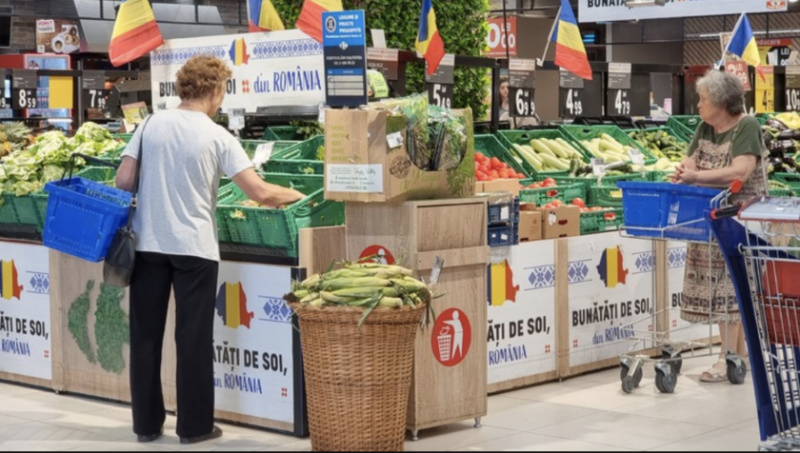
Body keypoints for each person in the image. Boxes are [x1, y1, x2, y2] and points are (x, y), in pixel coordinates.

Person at [115, 55, 305, 444]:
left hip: (147, 244)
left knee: (146, 337)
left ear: (182, 88)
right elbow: (260, 192)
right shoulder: (217, 136)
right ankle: (194, 427)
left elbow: (123, 179)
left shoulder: (150, 124)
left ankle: (146, 426)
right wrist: (298, 195)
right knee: (193, 338)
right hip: (195, 250)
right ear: (216, 91)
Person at [670, 70, 767, 383]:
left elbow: (741, 170)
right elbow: (691, 162)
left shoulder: (747, 126)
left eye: (704, 99)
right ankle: (739, 358)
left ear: (723, 103)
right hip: (710, 220)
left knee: (733, 288)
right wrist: (685, 170)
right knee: (729, 293)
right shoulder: (704, 128)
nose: (698, 104)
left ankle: (726, 359)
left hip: (741, 221)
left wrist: (696, 177)